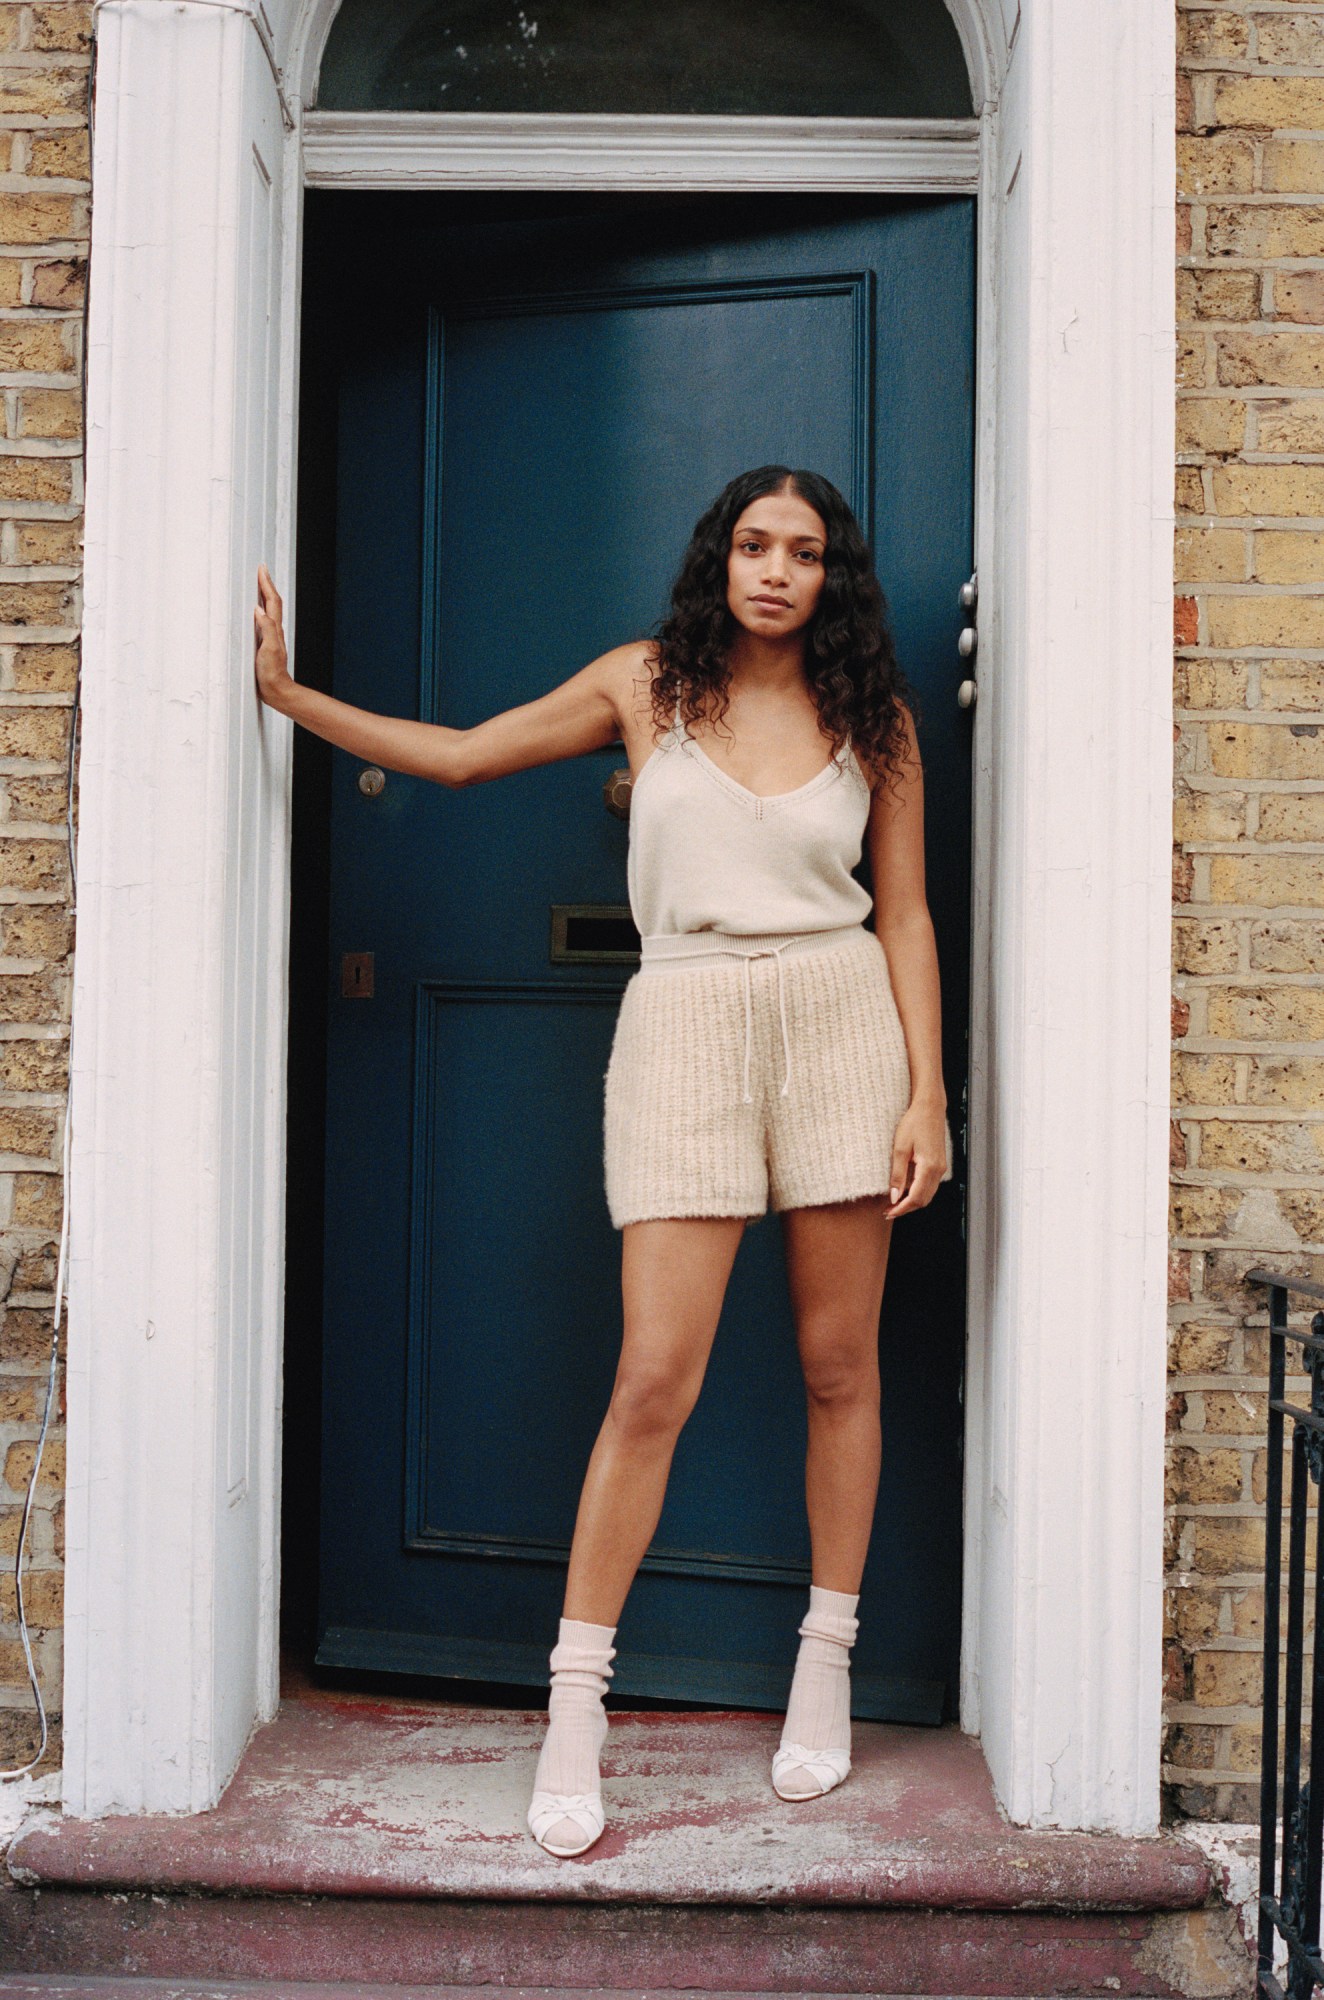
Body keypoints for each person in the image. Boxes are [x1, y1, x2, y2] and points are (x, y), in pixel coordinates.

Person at [253, 463, 953, 1863]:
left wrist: (929, 1095)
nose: (775, 569)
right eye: (754, 543)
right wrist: (289, 698)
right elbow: (458, 754)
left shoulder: (874, 712)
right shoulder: (647, 683)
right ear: (720, 557)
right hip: (685, 1017)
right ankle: (575, 1702)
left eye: (803, 552)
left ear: (832, 576)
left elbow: (909, 915)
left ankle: (826, 1658)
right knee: (652, 1379)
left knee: (840, 1366)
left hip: (837, 1018)